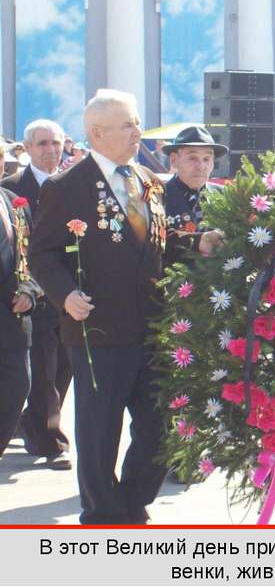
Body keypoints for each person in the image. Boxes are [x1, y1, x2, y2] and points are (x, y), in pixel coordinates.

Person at [28, 89, 223, 524]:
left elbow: (155, 245)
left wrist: (197, 243)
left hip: (153, 327)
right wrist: (65, 295)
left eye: (137, 122)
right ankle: (102, 515)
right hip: (98, 328)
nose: (139, 131)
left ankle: (133, 500)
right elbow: (41, 254)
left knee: (159, 429)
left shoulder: (147, 181)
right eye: (129, 124)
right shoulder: (67, 187)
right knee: (100, 433)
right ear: (98, 133)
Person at [1, 120, 73, 469]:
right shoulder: (13, 189)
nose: (50, 150)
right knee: (42, 368)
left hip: (72, 291)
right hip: (35, 294)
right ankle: (50, 439)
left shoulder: (76, 185)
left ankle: (33, 421)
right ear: (27, 149)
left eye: (56, 143)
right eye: (43, 143)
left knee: (65, 365)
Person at [0, 187, 40, 457]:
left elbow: (35, 256)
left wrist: (30, 290)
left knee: (17, 386)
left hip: (12, 320)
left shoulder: (14, 202)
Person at [162, 125, 227, 237]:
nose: (201, 166)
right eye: (192, 158)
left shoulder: (225, 195)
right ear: (174, 160)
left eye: (206, 159)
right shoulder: (158, 197)